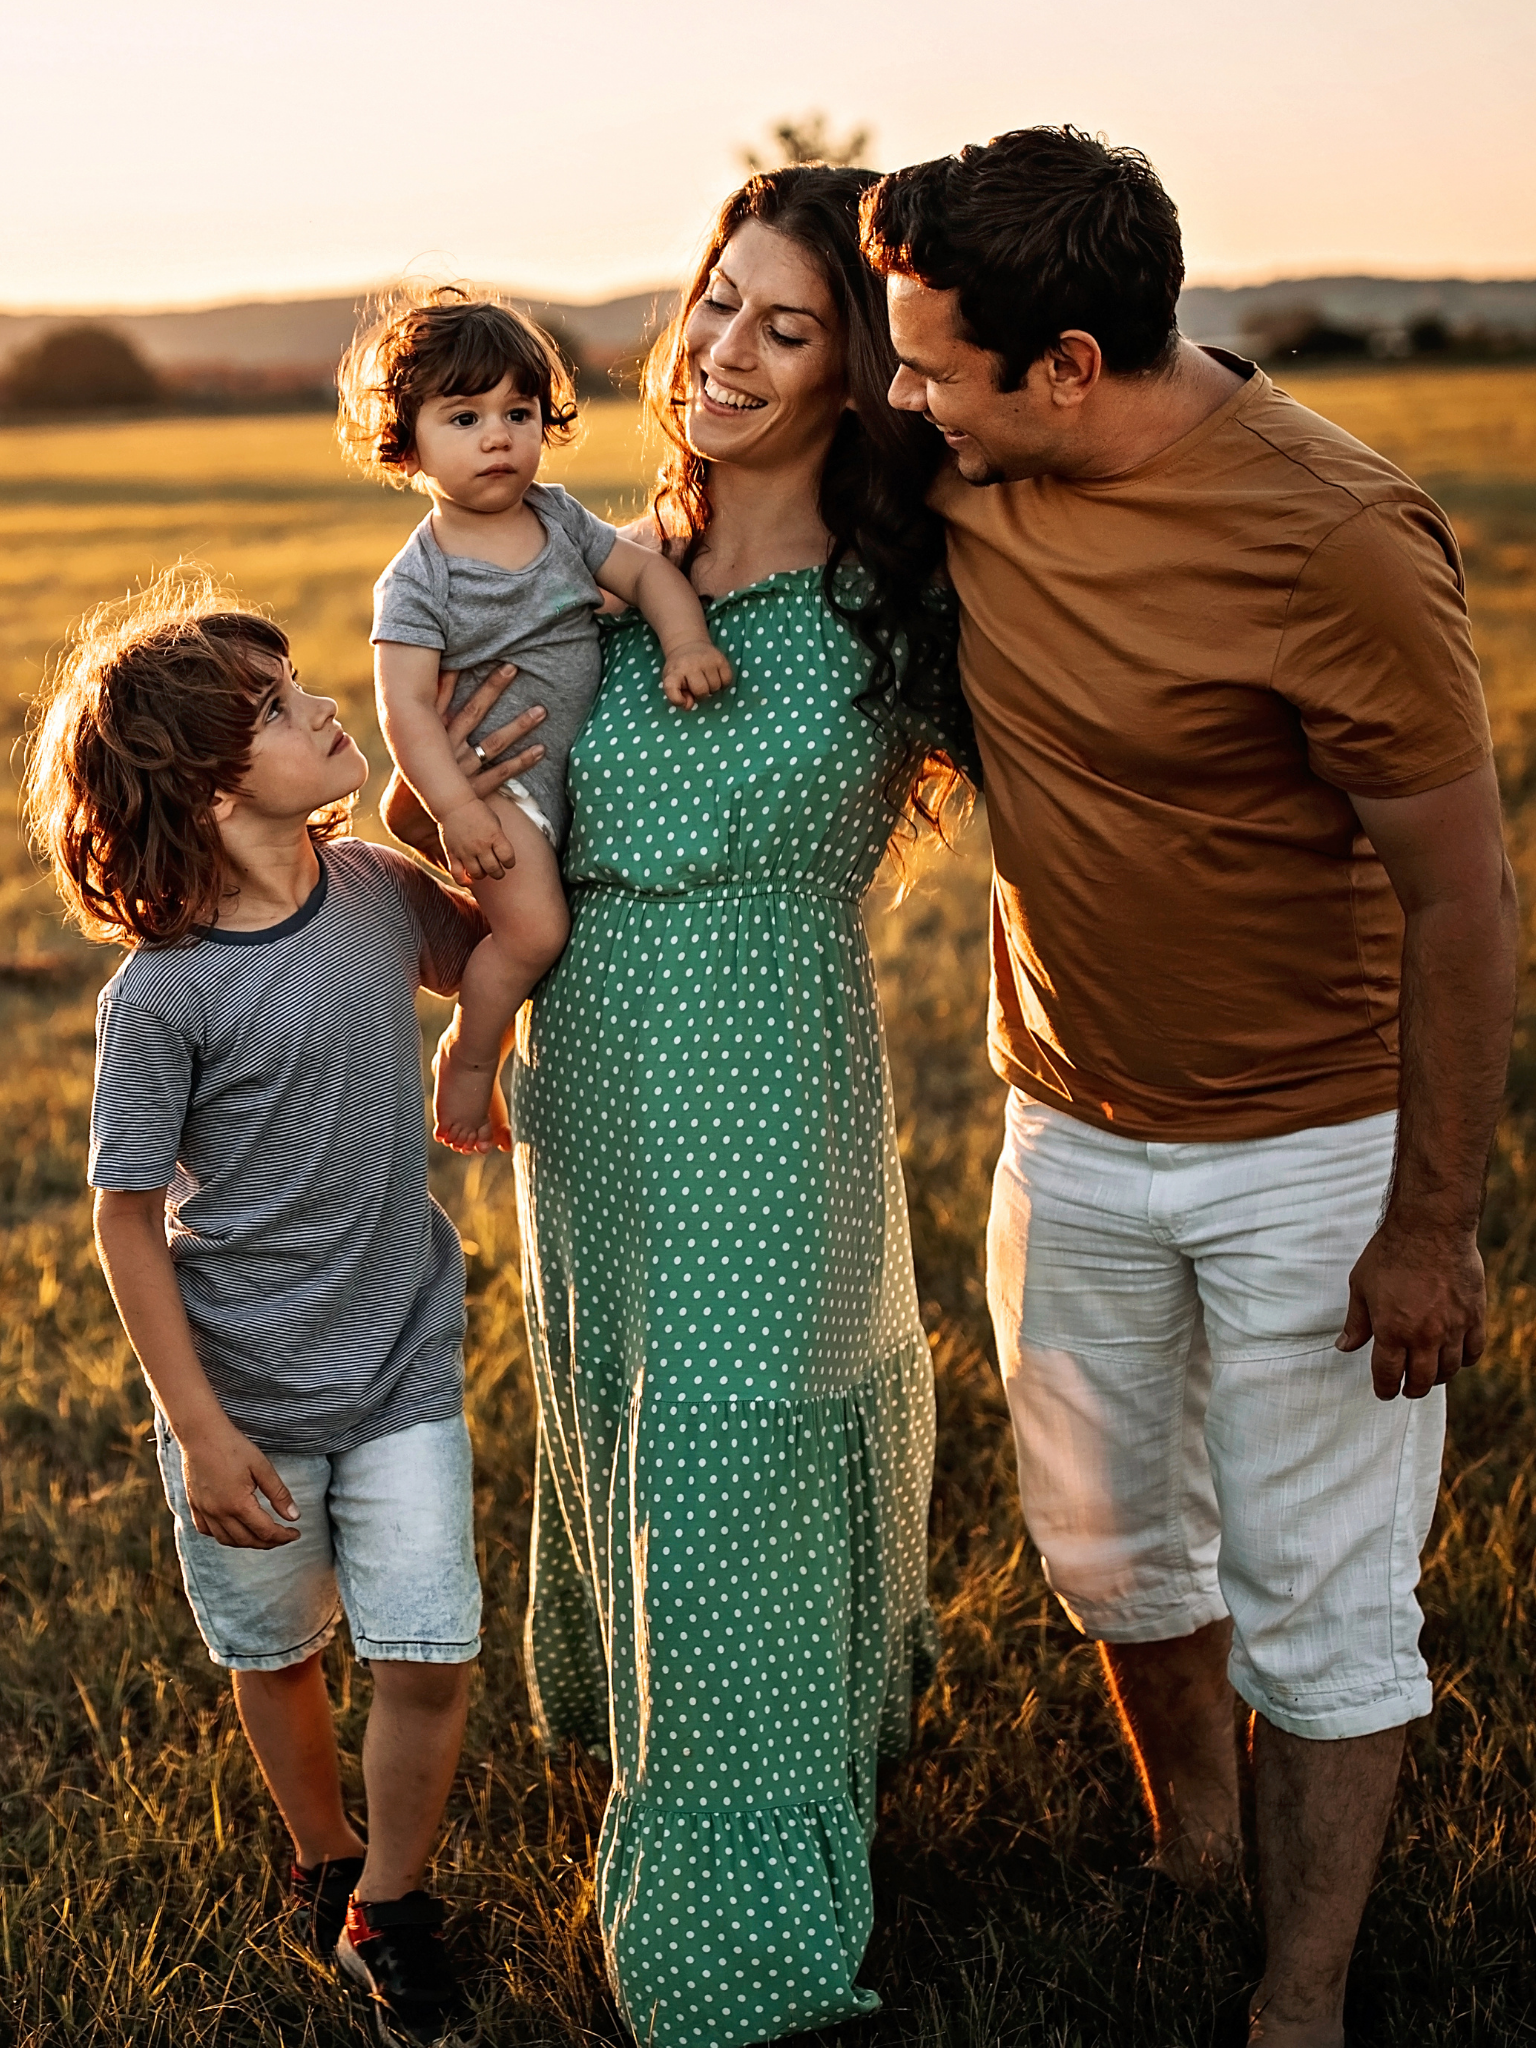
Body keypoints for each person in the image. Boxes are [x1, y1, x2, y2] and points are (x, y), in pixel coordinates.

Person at [860, 127, 1518, 2046]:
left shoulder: (1336, 535)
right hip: (1066, 1122)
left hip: (1313, 1150)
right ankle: (1195, 1845)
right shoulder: (968, 467)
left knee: (1322, 1595)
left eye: (933, 366)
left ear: (1070, 365)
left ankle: (1298, 1998)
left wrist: (1428, 1221)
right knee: (1108, 1542)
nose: (902, 400)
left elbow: (1462, 896)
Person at [385, 166, 976, 2048]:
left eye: (785, 326)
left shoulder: (915, 598)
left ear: (859, 372)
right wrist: (427, 813)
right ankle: (708, 1747)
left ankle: (736, 1948)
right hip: (592, 1101)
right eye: (719, 299)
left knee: (732, 1463)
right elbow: (478, 835)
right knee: (644, 1442)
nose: (725, 348)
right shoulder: (575, 562)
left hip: (774, 1091)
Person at [24, 576, 495, 2048]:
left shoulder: (375, 895)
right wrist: (201, 1429)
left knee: (428, 1655)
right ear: (213, 788)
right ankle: (327, 1856)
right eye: (283, 711)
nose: (327, 706)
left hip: (402, 1358)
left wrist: (455, 810)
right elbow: (124, 1214)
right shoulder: (162, 997)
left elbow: (493, 950)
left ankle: (391, 1907)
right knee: (277, 1653)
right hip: (241, 1395)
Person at [338, 288, 732, 1153]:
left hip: (560, 778)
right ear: (407, 443)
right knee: (534, 932)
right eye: (465, 417)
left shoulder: (557, 518)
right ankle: (470, 1059)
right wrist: (457, 809)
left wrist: (685, 643)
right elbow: (405, 708)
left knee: (539, 924)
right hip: (498, 789)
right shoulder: (419, 580)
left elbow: (647, 575)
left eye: (518, 413)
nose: (498, 437)